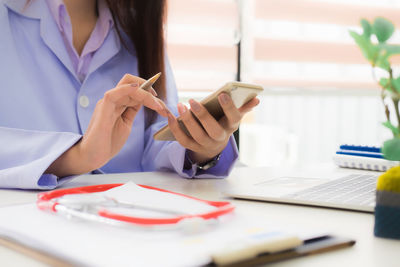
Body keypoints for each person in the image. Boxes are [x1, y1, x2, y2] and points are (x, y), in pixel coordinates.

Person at [0, 0, 260, 189]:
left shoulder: (137, 28)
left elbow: (157, 134)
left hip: (130, 225)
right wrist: (76, 156)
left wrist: (200, 150)